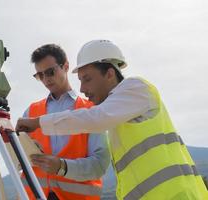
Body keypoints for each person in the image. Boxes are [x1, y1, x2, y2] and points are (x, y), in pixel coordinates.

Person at [16, 40, 208, 200]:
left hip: (178, 195)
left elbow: (96, 119)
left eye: (87, 79)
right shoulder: (116, 119)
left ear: (109, 73)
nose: (82, 88)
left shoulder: (136, 88)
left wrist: (39, 122)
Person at [21, 44, 110, 200]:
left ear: (66, 66)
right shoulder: (31, 112)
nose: (46, 79)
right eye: (40, 75)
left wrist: (62, 166)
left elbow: (99, 165)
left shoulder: (92, 110)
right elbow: (19, 162)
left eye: (50, 72)